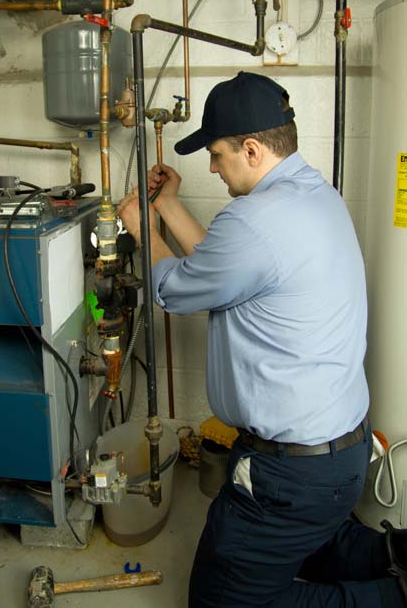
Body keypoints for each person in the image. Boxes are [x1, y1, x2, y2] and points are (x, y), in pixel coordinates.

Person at [117, 71, 407, 607]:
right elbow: (229, 269)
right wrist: (170, 207)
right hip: (337, 457)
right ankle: (397, 557)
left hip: (291, 473)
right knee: (314, 541)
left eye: (217, 153)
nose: (209, 165)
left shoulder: (254, 221)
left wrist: (144, 230)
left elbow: (175, 289)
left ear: (251, 149)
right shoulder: (314, 195)